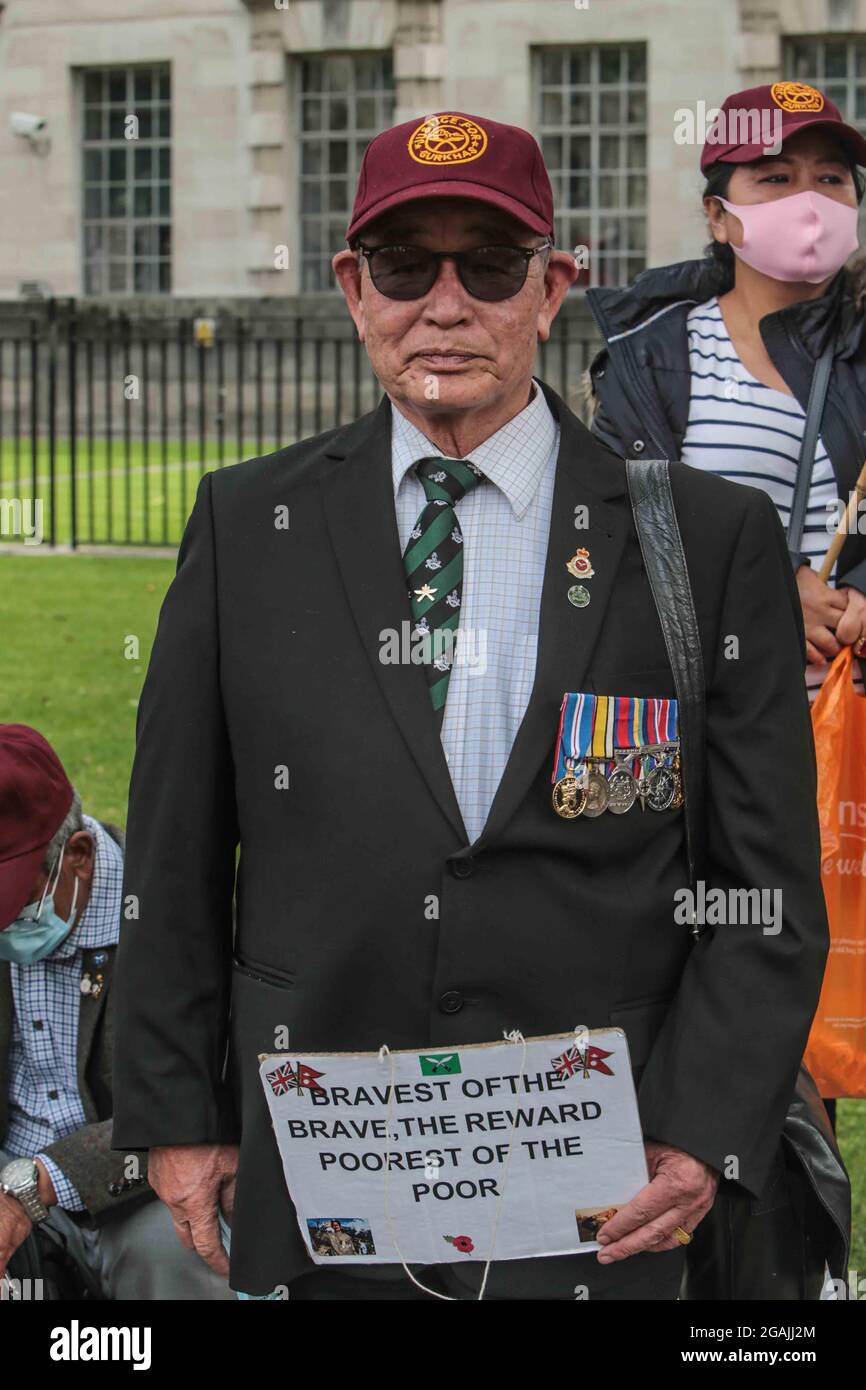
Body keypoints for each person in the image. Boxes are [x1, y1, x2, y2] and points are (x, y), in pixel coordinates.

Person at [111, 110, 829, 1301]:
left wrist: (702, 1128)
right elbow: (175, 859)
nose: (443, 307)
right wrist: (177, 1113)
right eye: (404, 266)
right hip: (323, 1169)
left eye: (488, 266)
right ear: (352, 288)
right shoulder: (249, 527)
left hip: (606, 1195)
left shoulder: (706, 540)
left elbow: (763, 887)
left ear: (551, 290)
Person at [585, 81, 866, 1134]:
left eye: (830, 179)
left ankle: (795, 1255)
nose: (808, 201)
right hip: (694, 733)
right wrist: (760, 588)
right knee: (677, 983)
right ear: (718, 209)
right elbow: (621, 522)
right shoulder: (654, 354)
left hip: (837, 730)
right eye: (774, 178)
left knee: (812, 1006)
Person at [0, 724, 235, 1299]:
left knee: (186, 1248)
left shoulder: (178, 920)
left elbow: (200, 1097)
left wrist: (36, 1186)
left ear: (77, 857)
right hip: (10, 1184)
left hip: (142, 1186)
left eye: (11, 904)